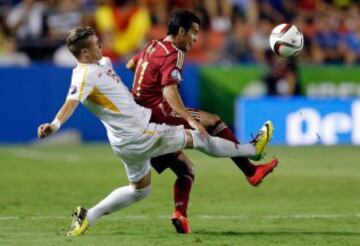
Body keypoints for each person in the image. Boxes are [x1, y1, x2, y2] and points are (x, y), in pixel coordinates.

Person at [37, 26, 274, 237]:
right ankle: (251, 150)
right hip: (141, 134)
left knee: (139, 190)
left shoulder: (103, 63)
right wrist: (54, 125)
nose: (101, 44)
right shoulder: (83, 74)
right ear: (85, 53)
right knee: (198, 137)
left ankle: (88, 217)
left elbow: (125, 77)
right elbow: (71, 102)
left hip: (123, 143)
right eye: (96, 44)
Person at [126, 10, 278, 233]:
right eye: (194, 33)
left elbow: (131, 64)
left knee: (186, 170)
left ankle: (180, 215)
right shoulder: (174, 53)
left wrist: (146, 87)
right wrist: (189, 119)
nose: (196, 39)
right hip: (158, 115)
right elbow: (169, 91)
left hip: (139, 122)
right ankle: (250, 164)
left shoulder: (152, 45)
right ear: (181, 31)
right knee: (212, 121)